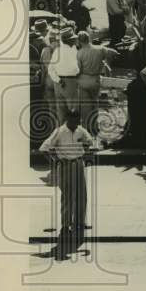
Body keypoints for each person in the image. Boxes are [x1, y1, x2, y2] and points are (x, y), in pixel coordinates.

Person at [39, 108, 94, 257]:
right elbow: (44, 149)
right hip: (65, 165)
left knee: (82, 195)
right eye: (74, 120)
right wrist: (55, 161)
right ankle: (65, 226)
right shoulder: (59, 132)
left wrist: (86, 148)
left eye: (78, 120)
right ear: (68, 119)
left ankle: (79, 224)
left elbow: (90, 142)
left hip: (78, 164)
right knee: (68, 197)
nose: (77, 123)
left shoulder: (80, 130)